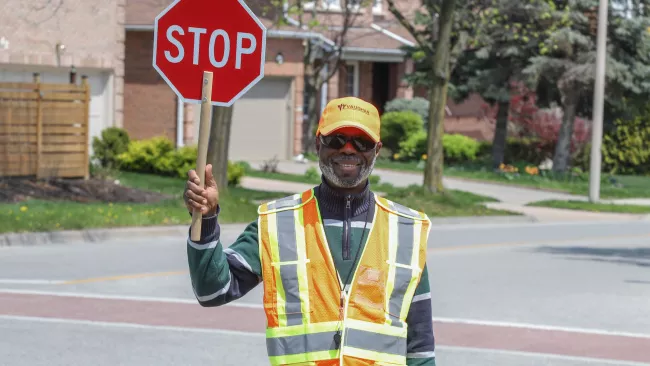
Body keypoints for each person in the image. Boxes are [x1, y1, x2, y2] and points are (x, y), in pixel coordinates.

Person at [184, 96, 436, 366]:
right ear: (318, 144)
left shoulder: (405, 229)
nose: (348, 150)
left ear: (377, 150)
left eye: (361, 142)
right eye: (337, 139)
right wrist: (206, 219)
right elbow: (212, 291)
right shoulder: (278, 222)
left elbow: (420, 347)